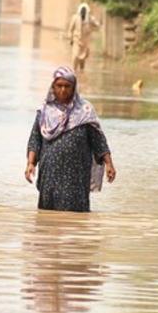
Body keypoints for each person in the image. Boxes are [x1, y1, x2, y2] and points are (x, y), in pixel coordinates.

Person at [25, 66, 116, 212]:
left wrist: (109, 164)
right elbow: (35, 140)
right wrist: (30, 163)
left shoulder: (85, 111)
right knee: (47, 217)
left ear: (74, 88)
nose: (63, 90)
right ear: (53, 87)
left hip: (76, 177)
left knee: (76, 215)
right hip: (49, 175)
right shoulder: (44, 112)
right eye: (59, 85)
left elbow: (99, 141)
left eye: (67, 86)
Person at [67, 2, 100, 72]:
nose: (83, 14)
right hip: (76, 40)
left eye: (84, 12)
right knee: (75, 56)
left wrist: (92, 26)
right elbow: (70, 29)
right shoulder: (75, 18)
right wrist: (70, 38)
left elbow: (97, 26)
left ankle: (81, 72)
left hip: (85, 42)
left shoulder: (90, 19)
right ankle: (74, 71)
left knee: (82, 59)